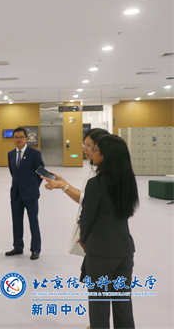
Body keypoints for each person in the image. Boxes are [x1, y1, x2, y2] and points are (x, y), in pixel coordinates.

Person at [79, 134, 138, 329]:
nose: (92, 153)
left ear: (106, 155)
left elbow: (86, 218)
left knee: (99, 306)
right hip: (124, 251)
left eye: (96, 149)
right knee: (123, 304)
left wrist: (84, 239)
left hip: (100, 252)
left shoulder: (96, 184)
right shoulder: (128, 183)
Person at [5, 127, 44, 260]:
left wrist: (33, 186)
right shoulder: (11, 154)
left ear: (26, 138)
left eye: (21, 137)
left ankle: (35, 249)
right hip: (16, 193)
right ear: (13, 139)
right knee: (16, 221)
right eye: (16, 137)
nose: (18, 140)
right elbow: (13, 173)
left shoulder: (34, 153)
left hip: (30, 194)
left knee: (33, 221)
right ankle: (18, 247)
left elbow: (40, 172)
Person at [43, 128, 110, 204]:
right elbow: (83, 193)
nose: (84, 149)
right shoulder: (93, 169)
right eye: (84, 145)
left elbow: (86, 201)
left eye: (88, 145)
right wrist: (62, 181)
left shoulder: (105, 175)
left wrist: (62, 186)